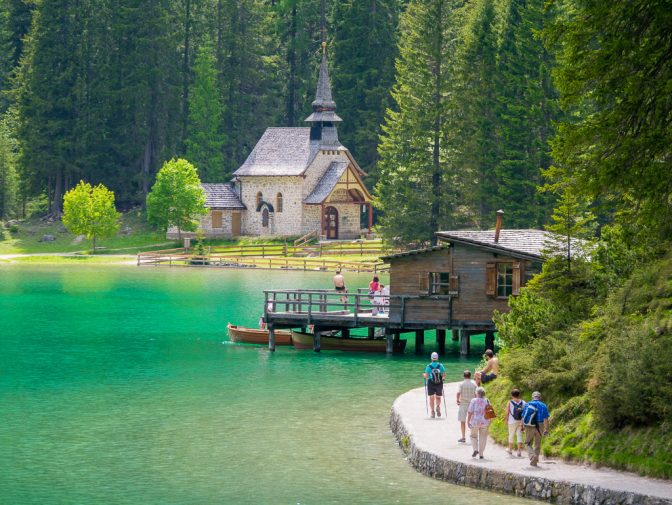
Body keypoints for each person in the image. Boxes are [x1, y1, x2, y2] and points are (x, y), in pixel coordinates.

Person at [522, 391, 550, 466]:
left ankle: (532, 456)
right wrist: (546, 429)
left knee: (527, 443)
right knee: (537, 444)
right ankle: (535, 460)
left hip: (529, 425)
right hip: (540, 425)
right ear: (540, 397)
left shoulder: (528, 404)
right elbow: (546, 419)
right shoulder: (543, 405)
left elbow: (523, 416)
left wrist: (522, 426)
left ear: (532, 397)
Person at [466, 386, 492, 459]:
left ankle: (475, 449)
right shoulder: (487, 400)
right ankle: (481, 454)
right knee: (483, 437)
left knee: (473, 436)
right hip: (484, 422)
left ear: (477, 393)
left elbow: (470, 411)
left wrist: (468, 421)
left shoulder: (473, 400)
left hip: (475, 422)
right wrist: (490, 420)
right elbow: (490, 412)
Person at [456, 370, 477, 443]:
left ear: (464, 376)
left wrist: (457, 400)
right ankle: (473, 436)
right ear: (470, 376)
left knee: (463, 421)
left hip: (463, 404)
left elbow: (458, 393)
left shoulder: (461, 384)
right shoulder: (474, 384)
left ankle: (463, 437)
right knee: (472, 420)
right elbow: (476, 394)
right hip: (472, 403)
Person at [423, 352, 445, 418]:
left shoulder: (428, 366)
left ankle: (432, 412)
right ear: (437, 358)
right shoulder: (440, 366)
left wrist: (424, 375)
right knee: (438, 397)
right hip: (439, 383)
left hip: (431, 383)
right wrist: (443, 379)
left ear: (431, 358)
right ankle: (438, 406)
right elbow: (443, 375)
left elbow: (426, 376)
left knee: (431, 398)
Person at [505, 388, 526, 456]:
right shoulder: (523, 402)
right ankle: (519, 451)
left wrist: (506, 420)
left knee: (511, 435)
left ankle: (510, 450)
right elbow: (525, 413)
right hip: (520, 421)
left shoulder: (510, 402)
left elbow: (507, 412)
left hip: (511, 421)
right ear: (519, 395)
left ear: (512, 395)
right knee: (519, 435)